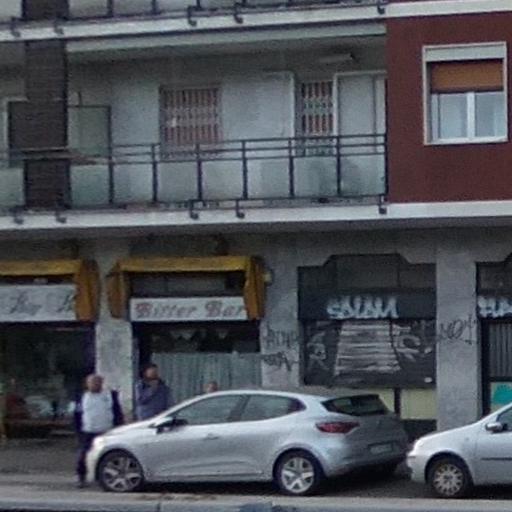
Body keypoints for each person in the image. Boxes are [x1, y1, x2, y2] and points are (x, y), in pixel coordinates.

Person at [74, 374, 124, 488]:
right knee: (83, 455)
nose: (94, 385)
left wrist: (119, 427)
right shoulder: (82, 397)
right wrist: (78, 431)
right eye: (91, 383)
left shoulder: (110, 395)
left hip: (107, 430)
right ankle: (81, 476)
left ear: (101, 383)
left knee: (110, 455)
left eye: (97, 382)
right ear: (87, 384)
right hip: (88, 431)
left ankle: (110, 476)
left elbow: (117, 412)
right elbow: (77, 415)